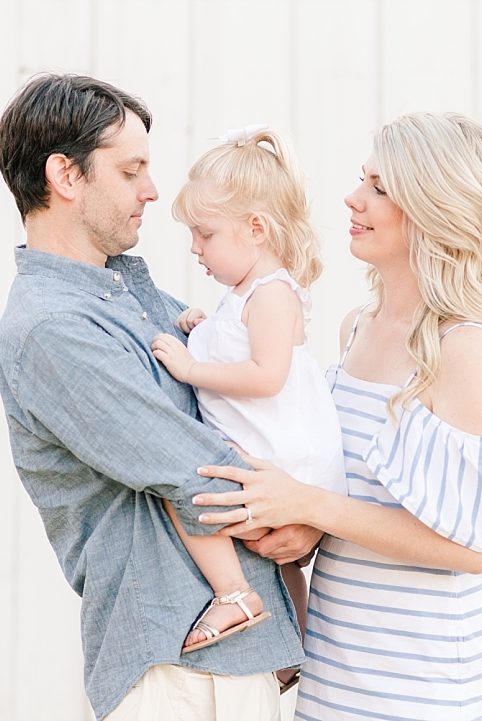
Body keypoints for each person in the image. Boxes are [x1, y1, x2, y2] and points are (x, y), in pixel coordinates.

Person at [189, 112, 482, 721]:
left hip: (426, 689)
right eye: (361, 179)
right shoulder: (356, 330)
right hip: (336, 675)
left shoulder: (467, 348)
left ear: (436, 206)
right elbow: (358, 497)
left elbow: (472, 548)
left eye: (380, 187)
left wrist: (308, 506)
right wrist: (302, 528)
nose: (353, 198)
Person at [0, 73, 307, 721]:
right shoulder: (53, 328)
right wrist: (303, 515)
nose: (152, 189)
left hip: (236, 658)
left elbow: (246, 399)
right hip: (173, 668)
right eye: (131, 169)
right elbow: (190, 464)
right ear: (66, 175)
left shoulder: (128, 292)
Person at [150, 126, 345, 668]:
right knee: (284, 563)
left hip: (283, 454)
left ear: (255, 228)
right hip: (270, 449)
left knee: (181, 488)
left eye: (205, 234)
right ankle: (296, 651)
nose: (195, 248)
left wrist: (191, 366)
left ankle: (233, 594)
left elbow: (266, 375)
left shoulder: (273, 293)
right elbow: (239, 343)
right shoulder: (242, 297)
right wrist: (202, 327)